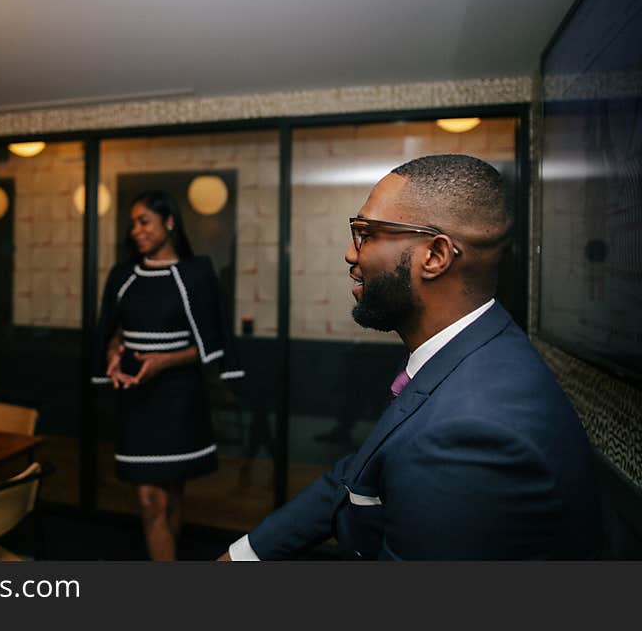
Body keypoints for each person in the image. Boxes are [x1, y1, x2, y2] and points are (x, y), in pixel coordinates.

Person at [220, 154, 601, 560]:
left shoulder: (472, 433)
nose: (351, 254)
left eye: (366, 234)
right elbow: (354, 475)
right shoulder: (471, 347)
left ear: (434, 256)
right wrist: (246, 554)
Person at [93, 190, 243, 560]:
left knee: (172, 497)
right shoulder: (123, 275)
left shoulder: (196, 273)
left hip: (179, 396)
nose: (136, 231)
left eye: (144, 221)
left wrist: (165, 360)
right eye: (133, 224)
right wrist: (112, 354)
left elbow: (212, 342)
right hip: (138, 397)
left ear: (170, 222)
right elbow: (109, 331)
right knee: (150, 500)